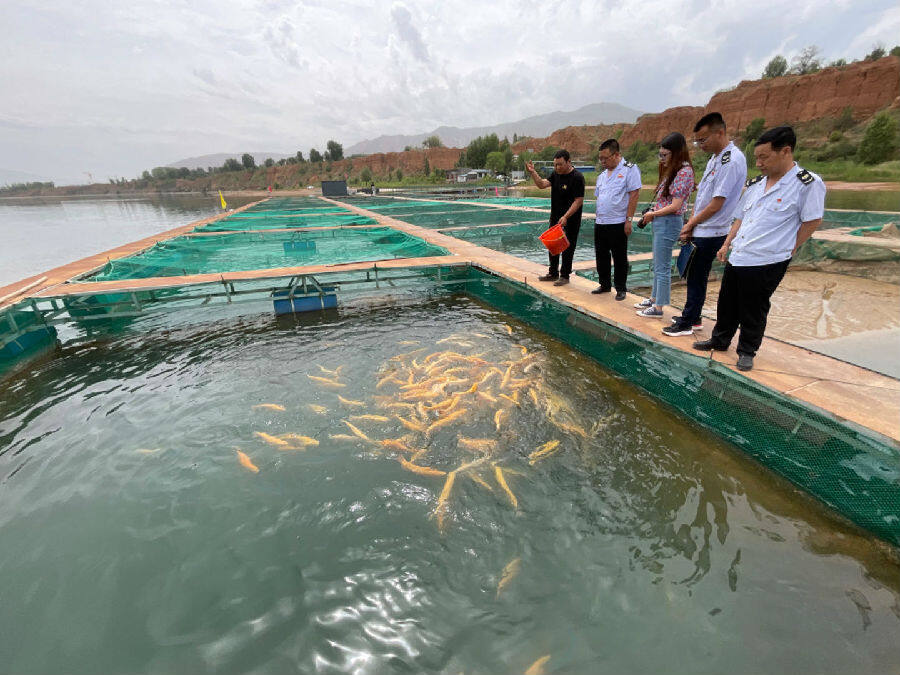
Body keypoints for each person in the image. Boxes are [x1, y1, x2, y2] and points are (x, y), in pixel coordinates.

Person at [693, 126, 825, 371]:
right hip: (740, 254)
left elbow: (813, 220)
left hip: (769, 259)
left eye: (764, 157)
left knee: (754, 307)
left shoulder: (806, 184)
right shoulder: (755, 184)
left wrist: (791, 246)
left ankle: (747, 351)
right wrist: (726, 244)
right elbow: (741, 217)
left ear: (785, 151)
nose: (759, 162)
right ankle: (720, 340)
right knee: (728, 301)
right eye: (757, 157)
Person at [663, 112, 746, 337]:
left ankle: (688, 322)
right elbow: (705, 197)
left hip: (712, 230)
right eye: (697, 141)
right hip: (703, 227)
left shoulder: (731, 160)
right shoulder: (716, 158)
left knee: (697, 276)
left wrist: (690, 224)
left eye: (703, 140)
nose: (700, 145)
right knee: (694, 275)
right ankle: (693, 316)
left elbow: (717, 203)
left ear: (720, 133)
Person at [634, 132, 694, 318]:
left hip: (669, 222)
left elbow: (675, 205)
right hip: (661, 221)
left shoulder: (685, 172)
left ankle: (659, 307)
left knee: (663, 266)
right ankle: (654, 298)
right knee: (658, 262)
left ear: (676, 153)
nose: (662, 159)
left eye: (665, 155)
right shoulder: (673, 170)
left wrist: (652, 213)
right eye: (660, 155)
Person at [525, 150, 585, 286]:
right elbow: (541, 184)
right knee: (553, 244)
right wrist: (533, 172)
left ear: (569, 162)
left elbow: (578, 200)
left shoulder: (577, 177)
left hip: (571, 219)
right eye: (555, 165)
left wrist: (566, 216)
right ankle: (553, 273)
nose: (557, 167)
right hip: (556, 217)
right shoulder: (555, 174)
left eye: (560, 164)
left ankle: (564, 275)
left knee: (568, 247)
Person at [591, 139, 642, 300]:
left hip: (618, 222)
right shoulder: (602, 176)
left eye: (605, 158)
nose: (603, 162)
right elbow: (599, 198)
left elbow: (634, 195)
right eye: (601, 159)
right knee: (601, 255)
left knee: (619, 256)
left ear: (617, 154)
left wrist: (629, 220)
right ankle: (604, 284)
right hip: (601, 222)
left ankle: (620, 288)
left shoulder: (630, 170)